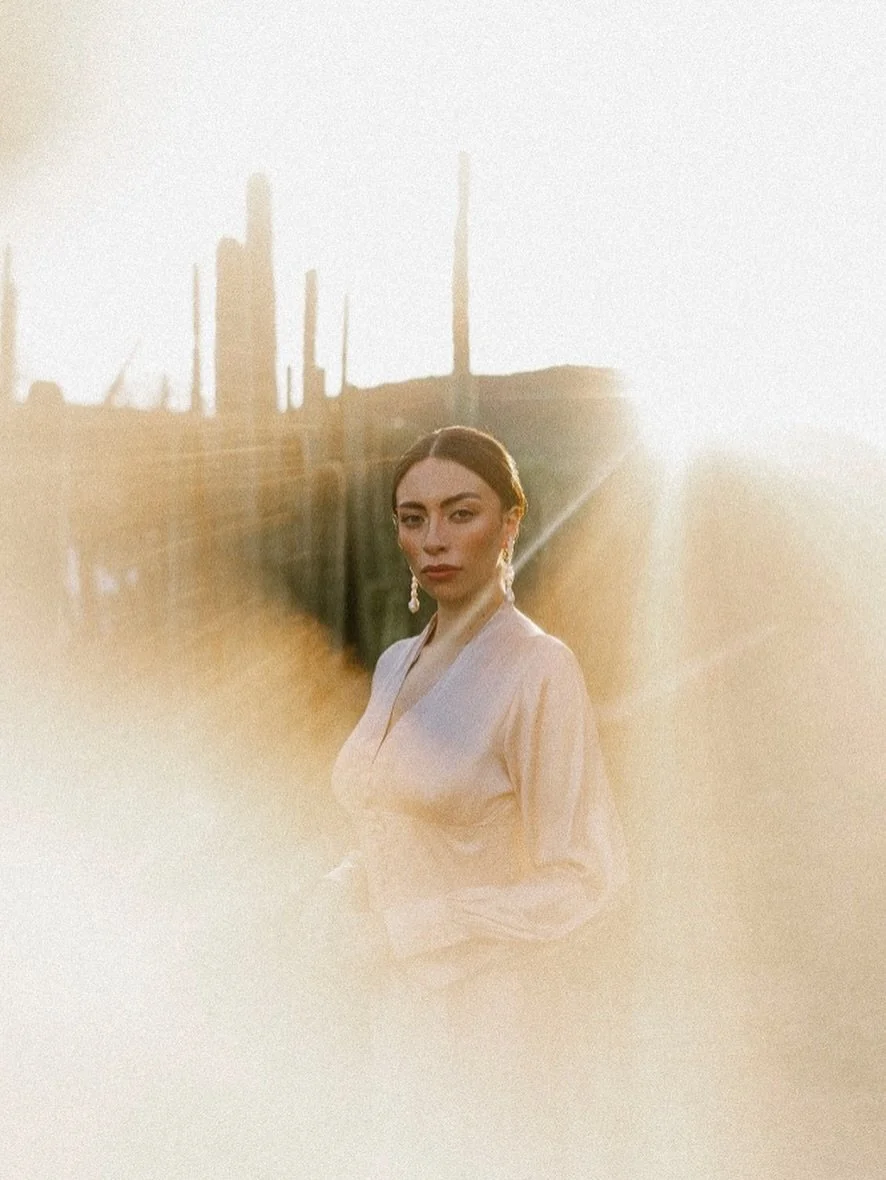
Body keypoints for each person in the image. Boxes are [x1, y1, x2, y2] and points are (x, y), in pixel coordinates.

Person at [310, 425, 629, 1178]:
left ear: (509, 522)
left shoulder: (540, 669)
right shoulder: (396, 662)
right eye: (413, 518)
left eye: (461, 513)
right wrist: (334, 894)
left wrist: (416, 927)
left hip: (490, 1024)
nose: (434, 539)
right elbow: (392, 818)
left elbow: (586, 878)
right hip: (390, 1016)